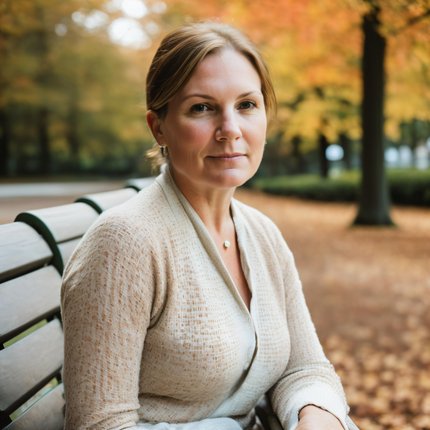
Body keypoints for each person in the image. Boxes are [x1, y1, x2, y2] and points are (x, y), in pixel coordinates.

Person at [61, 22, 354, 430]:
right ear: (158, 126)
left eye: (247, 105)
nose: (230, 129)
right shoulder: (125, 244)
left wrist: (316, 416)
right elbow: (99, 424)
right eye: (202, 107)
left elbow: (304, 367)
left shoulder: (263, 234)